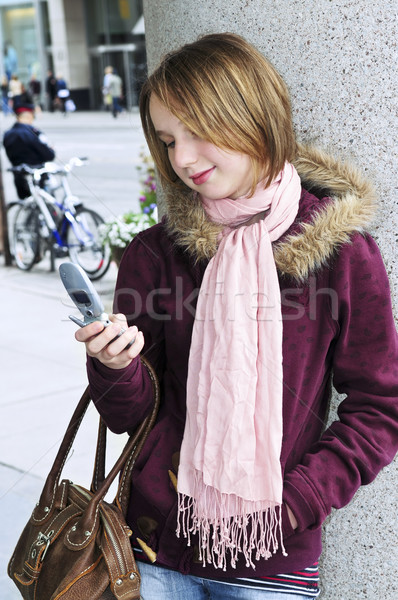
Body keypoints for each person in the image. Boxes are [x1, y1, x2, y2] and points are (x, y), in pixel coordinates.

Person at [74, 33, 398, 599]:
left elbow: (381, 407)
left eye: (198, 132)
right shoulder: (158, 252)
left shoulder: (341, 253)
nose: (182, 159)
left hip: (273, 560)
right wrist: (113, 367)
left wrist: (296, 502)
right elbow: (131, 414)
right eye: (169, 139)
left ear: (253, 116)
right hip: (154, 548)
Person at [3, 92, 55, 199]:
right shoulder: (34, 133)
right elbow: (49, 155)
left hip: (19, 179)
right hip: (38, 179)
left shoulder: (7, 135)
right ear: (30, 115)